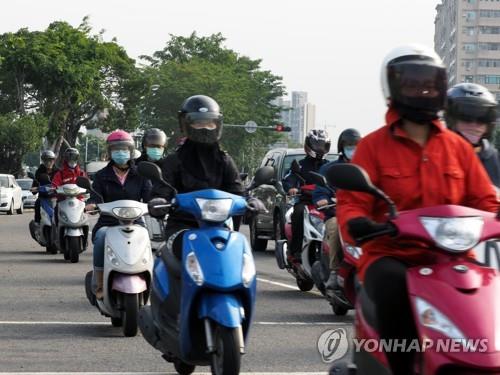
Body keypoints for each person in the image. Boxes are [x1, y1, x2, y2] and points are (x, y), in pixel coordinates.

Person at [336, 44, 498, 374]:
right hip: (392, 254)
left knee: (491, 287)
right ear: (392, 88)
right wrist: (358, 223)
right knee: (392, 284)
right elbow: (352, 202)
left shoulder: (457, 148)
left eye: (429, 83)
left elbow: (486, 200)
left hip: (453, 257)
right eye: (412, 83)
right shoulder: (373, 146)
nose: (422, 91)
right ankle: (403, 365)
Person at [85, 130, 152, 299]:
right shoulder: (101, 176)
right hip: (109, 222)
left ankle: (150, 281)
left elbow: (150, 196)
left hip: (136, 222)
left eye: (124, 149)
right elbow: (95, 195)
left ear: (130, 151)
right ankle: (100, 283)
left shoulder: (141, 175)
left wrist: (156, 203)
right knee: (100, 237)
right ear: (109, 152)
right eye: (116, 149)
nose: (120, 152)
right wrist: (91, 204)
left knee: (148, 241)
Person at [313, 128, 361, 292]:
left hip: (361, 214)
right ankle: (334, 271)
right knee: (334, 228)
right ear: (342, 147)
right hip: (336, 214)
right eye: (349, 146)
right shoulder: (329, 169)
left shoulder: (365, 168)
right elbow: (320, 191)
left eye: (355, 145)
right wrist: (322, 199)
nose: (352, 149)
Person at [282, 129, 331, 263]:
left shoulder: (329, 166)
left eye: (323, 145)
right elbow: (289, 178)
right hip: (306, 202)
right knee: (297, 213)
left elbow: (338, 181)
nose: (320, 148)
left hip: (325, 203)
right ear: (308, 145)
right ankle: (295, 251)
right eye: (317, 145)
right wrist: (291, 187)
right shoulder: (300, 165)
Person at [446, 83, 500, 188]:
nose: (474, 124)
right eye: (466, 117)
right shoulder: (435, 156)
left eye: (483, 119)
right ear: (451, 120)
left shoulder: (495, 160)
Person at [32, 150, 58, 225]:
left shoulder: (58, 172)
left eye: (50, 160)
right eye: (46, 160)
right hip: (43, 198)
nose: (48, 162)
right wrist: (35, 188)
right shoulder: (39, 171)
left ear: (54, 160)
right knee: (37, 203)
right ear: (43, 161)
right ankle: (37, 223)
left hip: (56, 197)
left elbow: (63, 182)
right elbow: (35, 183)